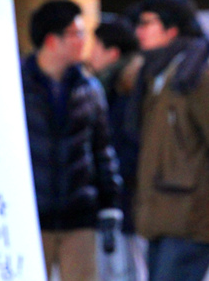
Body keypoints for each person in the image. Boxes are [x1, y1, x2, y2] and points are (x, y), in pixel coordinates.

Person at [128, 0, 209, 281]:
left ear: (172, 29)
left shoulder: (197, 77)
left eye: (147, 23)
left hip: (193, 215)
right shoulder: (157, 73)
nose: (139, 31)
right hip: (163, 215)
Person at [21, 0, 122, 281]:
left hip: (79, 217)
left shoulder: (89, 88)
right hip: (29, 217)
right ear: (52, 40)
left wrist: (110, 203)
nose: (84, 41)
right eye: (77, 33)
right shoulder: (14, 86)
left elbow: (102, 150)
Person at [89, 15, 147, 281]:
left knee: (130, 267)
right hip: (123, 195)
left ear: (112, 53)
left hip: (129, 196)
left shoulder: (126, 89)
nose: (90, 53)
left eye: (95, 46)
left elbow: (127, 146)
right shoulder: (112, 85)